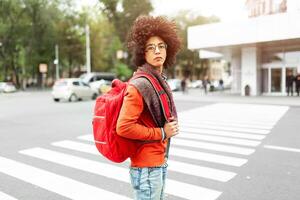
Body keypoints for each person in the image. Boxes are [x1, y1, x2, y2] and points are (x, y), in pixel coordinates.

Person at [116, 15, 181, 200]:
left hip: (158, 162)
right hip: (146, 168)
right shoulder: (140, 85)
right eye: (150, 47)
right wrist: (161, 133)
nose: (157, 51)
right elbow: (124, 127)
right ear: (142, 53)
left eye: (161, 46)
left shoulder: (157, 81)